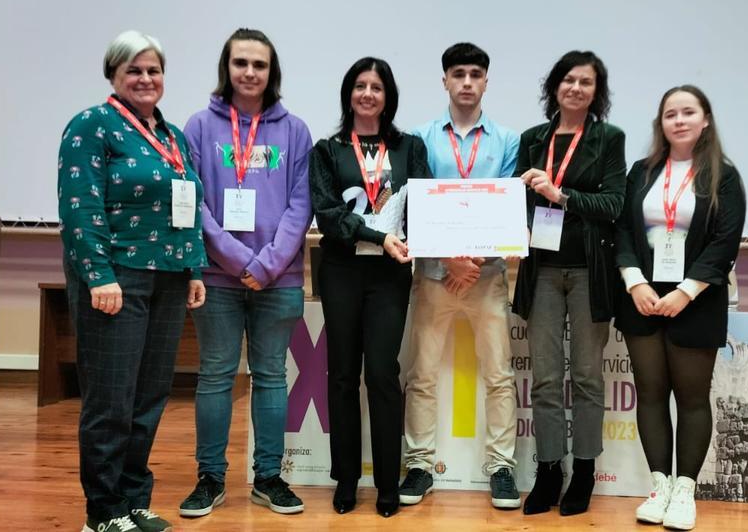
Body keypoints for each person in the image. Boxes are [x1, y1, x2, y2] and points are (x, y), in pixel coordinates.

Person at [58, 30, 207, 532]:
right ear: (114, 75)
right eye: (134, 70)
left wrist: (195, 267)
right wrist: (98, 275)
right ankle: (102, 513)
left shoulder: (173, 136)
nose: (145, 79)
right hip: (116, 279)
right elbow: (80, 209)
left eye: (153, 70)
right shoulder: (91, 126)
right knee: (111, 401)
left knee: (148, 398)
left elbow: (189, 205)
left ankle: (132, 500)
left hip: (168, 279)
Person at [177, 28, 312, 518]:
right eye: (241, 63)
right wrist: (239, 261)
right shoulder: (197, 127)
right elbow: (193, 202)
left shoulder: (295, 131)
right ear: (227, 68)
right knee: (215, 376)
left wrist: (269, 263)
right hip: (216, 277)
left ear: (271, 71)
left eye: (259, 64)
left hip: (279, 278)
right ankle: (210, 478)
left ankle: (268, 477)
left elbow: (302, 205)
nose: (250, 72)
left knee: (272, 376)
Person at [614, 85, 746, 531]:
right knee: (650, 394)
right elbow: (624, 233)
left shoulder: (723, 177)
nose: (679, 120)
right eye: (670, 114)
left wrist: (686, 291)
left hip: (697, 301)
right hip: (643, 299)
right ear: (661, 123)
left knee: (691, 399)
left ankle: (685, 490)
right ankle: (660, 487)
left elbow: (724, 243)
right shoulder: (641, 172)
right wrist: (635, 282)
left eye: (688, 112)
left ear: (705, 119)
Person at [308, 57, 432, 518]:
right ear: (348, 94)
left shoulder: (408, 148)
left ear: (388, 96)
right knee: (341, 375)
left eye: (376, 87)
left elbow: (423, 207)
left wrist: (420, 241)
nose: (367, 94)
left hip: (390, 276)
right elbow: (328, 215)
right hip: (341, 271)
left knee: (382, 375)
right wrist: (379, 237)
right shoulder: (328, 150)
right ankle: (345, 478)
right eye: (359, 86)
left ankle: (386, 481)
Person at [400, 42, 521, 510]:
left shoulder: (506, 141)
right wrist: (450, 259)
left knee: (499, 374)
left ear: (486, 81)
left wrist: (470, 261)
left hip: (487, 275)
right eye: (458, 74)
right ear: (445, 81)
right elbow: (418, 203)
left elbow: (506, 206)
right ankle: (419, 466)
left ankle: (502, 468)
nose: (467, 82)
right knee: (423, 373)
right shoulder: (422, 137)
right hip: (433, 273)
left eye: (475, 74)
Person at [512, 50, 626, 516]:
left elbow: (615, 204)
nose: (576, 88)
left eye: (586, 83)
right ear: (554, 86)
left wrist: (562, 195)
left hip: (587, 272)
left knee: (585, 377)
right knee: (542, 378)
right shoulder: (532, 139)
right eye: (568, 80)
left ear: (596, 93)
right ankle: (547, 470)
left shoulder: (608, 139)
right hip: (540, 270)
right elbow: (517, 204)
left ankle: (583, 471)